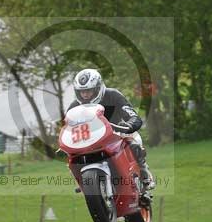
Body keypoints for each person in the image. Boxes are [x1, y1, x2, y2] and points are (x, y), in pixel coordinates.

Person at [67, 68, 156, 198]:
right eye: (82, 92)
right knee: (71, 158)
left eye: (89, 90)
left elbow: (132, 115)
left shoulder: (113, 95)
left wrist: (129, 125)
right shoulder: (74, 106)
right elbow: (67, 127)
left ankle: (143, 171)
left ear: (98, 87)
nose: (85, 95)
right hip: (89, 142)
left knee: (134, 141)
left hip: (117, 134)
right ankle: (83, 181)